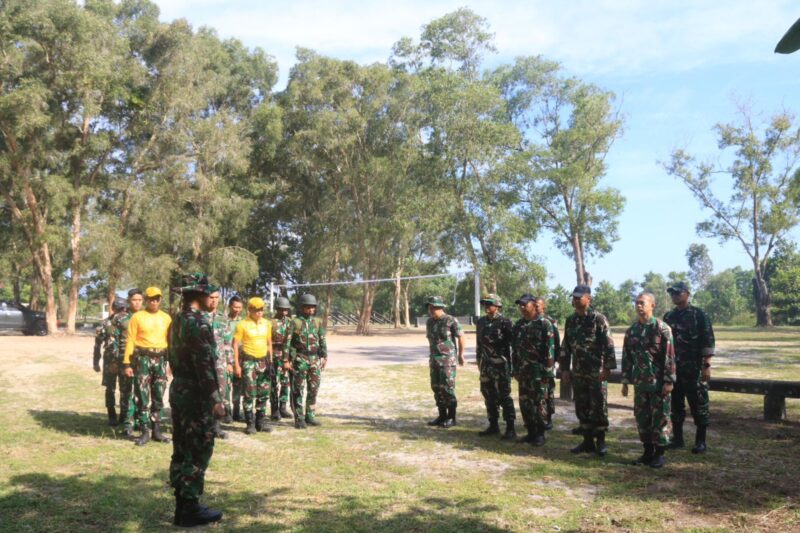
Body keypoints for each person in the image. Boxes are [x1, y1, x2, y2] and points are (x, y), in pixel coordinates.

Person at [168, 273, 226, 527]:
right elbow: (204, 364)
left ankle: (182, 504)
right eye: (208, 293)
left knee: (181, 448)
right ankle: (189, 509)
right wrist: (215, 399)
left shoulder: (177, 319)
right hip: (196, 395)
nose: (210, 298)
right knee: (198, 448)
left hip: (180, 389)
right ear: (200, 295)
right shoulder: (198, 323)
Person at [560, 285, 616, 457]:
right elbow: (566, 347)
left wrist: (607, 368)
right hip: (578, 372)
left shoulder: (598, 319)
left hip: (596, 372)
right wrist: (564, 369)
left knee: (598, 406)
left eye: (579, 297)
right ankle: (587, 442)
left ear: (589, 299)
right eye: (574, 297)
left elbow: (608, 345)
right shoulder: (571, 320)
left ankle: (601, 442)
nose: (576, 300)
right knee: (582, 406)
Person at [622, 292, 676, 469]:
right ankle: (647, 452)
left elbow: (670, 357)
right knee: (642, 418)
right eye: (637, 303)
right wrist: (625, 380)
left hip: (658, 384)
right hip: (640, 383)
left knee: (660, 418)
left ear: (652, 305)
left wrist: (669, 381)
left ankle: (660, 454)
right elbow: (627, 357)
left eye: (642, 303)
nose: (638, 306)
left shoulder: (662, 329)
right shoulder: (632, 331)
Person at [663, 281, 714, 454]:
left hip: (694, 369)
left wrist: (706, 365)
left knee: (699, 404)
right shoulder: (669, 317)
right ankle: (678, 439)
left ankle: (701, 442)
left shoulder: (699, 314)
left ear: (687, 293)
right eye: (672, 293)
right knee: (675, 406)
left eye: (678, 293)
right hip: (674, 370)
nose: (675, 296)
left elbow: (707, 340)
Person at [123, 286, 173, 446]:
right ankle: (145, 432)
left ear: (160, 300)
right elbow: (130, 339)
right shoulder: (137, 317)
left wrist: (171, 363)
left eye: (157, 299)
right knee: (143, 396)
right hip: (143, 359)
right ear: (146, 300)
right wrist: (127, 363)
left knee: (159, 395)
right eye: (151, 298)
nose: (154, 301)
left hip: (161, 360)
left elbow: (171, 342)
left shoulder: (166, 318)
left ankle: (157, 431)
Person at [511, 294, 555, 446]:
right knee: (525, 403)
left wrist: (548, 373)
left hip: (539, 372)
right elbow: (515, 349)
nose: (522, 307)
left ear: (533, 304)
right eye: (520, 305)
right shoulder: (518, 325)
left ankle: (540, 434)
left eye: (525, 304)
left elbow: (550, 350)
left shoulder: (544, 324)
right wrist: (514, 369)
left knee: (539, 403)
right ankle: (530, 432)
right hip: (523, 372)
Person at [284, 294, 328, 429]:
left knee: (314, 388)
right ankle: (299, 418)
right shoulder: (295, 322)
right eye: (308, 307)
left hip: (314, 360)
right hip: (300, 359)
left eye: (313, 307)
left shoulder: (317, 322)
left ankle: (310, 416)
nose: (311, 310)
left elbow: (322, 339)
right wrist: (286, 360)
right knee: (298, 389)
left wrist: (324, 356)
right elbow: (287, 342)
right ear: (302, 308)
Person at [475, 293, 516, 439]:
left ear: (497, 305)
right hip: (486, 365)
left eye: (489, 303)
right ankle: (493, 425)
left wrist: (512, 366)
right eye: (485, 303)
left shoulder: (505, 322)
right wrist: (478, 360)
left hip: (501, 366)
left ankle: (510, 428)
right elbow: (479, 344)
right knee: (488, 395)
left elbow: (513, 345)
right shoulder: (481, 322)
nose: (486, 306)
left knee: (504, 396)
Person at [233, 297, 273, 435]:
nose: (259, 312)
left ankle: (260, 423)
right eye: (256, 310)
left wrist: (271, 361)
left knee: (263, 393)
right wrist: (237, 365)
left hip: (263, 362)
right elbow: (235, 346)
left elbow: (269, 343)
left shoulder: (267, 324)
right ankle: (249, 424)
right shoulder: (242, 325)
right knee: (249, 394)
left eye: (261, 309)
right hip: (249, 362)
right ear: (249, 310)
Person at [424, 295, 464, 429]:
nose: (431, 309)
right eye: (429, 307)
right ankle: (442, 415)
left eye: (433, 307)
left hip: (448, 361)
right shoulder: (429, 322)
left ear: (440, 307)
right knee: (436, 388)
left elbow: (461, 337)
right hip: (434, 360)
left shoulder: (450, 320)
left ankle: (451, 417)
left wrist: (461, 355)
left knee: (447, 388)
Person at [93, 297, 128, 426]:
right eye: (119, 309)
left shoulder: (131, 322)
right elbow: (97, 344)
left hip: (125, 361)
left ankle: (123, 416)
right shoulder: (105, 324)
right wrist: (96, 362)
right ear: (113, 309)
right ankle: (112, 416)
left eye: (123, 309)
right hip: (111, 361)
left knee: (124, 389)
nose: (121, 312)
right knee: (111, 388)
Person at [113, 288, 143, 436]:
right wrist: (115, 360)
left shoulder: (146, 317)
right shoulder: (120, 318)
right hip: (125, 360)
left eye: (139, 300)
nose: (137, 303)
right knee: (126, 391)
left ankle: (139, 420)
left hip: (142, 360)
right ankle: (127, 422)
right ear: (129, 301)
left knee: (141, 390)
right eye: (134, 300)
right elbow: (114, 340)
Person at [206, 288, 229, 439]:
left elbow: (227, 342)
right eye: (211, 297)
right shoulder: (199, 316)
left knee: (221, 392)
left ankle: (216, 426)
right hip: (204, 362)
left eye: (216, 297)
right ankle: (204, 425)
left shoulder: (222, 318)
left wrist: (230, 362)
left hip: (220, 362)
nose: (213, 300)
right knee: (204, 393)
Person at [534, 296, 560, 430]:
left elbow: (556, 342)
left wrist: (555, 362)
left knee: (548, 392)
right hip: (536, 365)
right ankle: (539, 418)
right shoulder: (531, 321)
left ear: (544, 306)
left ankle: (548, 418)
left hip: (548, 363)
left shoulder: (550, 321)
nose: (536, 307)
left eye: (538, 305)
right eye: (534, 305)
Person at [270, 296, 293, 421]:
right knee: (274, 382)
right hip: (274, 355)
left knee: (285, 382)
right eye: (281, 309)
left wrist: (289, 358)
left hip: (287, 356)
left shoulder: (290, 321)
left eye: (286, 309)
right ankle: (274, 410)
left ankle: (283, 408)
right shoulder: (271, 323)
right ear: (277, 309)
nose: (284, 311)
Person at [224, 295, 245, 422]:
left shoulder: (243, 322)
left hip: (240, 358)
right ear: (230, 306)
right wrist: (227, 361)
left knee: (238, 386)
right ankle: (227, 413)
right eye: (235, 307)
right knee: (226, 386)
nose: (237, 309)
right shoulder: (223, 321)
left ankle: (237, 412)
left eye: (240, 307)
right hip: (226, 357)